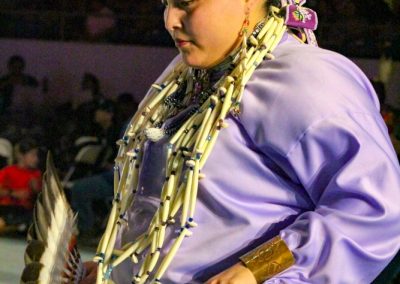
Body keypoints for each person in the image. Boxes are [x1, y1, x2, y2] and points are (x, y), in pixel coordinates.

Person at [80, 0, 400, 283]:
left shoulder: (305, 80)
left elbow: (377, 209)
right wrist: (117, 265)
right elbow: (160, 203)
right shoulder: (183, 73)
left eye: (187, 3)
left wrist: (256, 270)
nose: (169, 19)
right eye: (166, 2)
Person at [0, 138, 41, 233]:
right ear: (21, 156)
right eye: (32, 155)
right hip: (5, 209)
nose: (36, 159)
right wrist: (12, 193)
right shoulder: (7, 171)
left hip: (24, 212)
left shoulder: (36, 174)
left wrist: (36, 190)